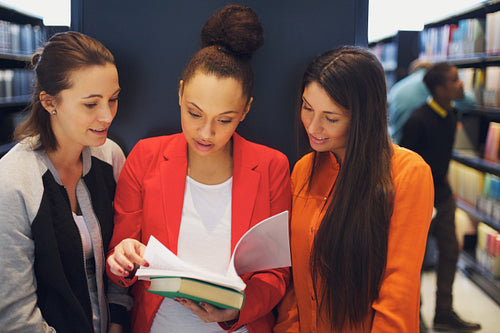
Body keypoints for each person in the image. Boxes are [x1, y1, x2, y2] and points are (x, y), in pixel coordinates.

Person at [106, 5, 291, 333]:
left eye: (224, 120)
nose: (206, 133)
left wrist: (234, 311)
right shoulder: (146, 157)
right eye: (195, 113)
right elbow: (120, 261)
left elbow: (276, 275)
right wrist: (122, 258)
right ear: (179, 93)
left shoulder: (271, 167)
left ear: (245, 110)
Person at [273, 46, 435, 332]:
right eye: (307, 108)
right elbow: (295, 278)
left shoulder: (408, 173)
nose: (313, 126)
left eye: (331, 118)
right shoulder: (303, 170)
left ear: (363, 117)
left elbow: (398, 294)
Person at [0, 31, 131, 332]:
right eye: (90, 105)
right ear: (49, 102)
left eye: (113, 100)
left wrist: (118, 322)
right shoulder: (12, 182)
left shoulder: (110, 156)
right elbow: (15, 317)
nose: (107, 116)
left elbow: (119, 256)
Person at [399, 62, 481, 332]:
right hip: (419, 201)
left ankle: (444, 314)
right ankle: (415, 317)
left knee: (450, 253)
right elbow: (408, 167)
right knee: (415, 261)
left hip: (443, 197)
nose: (461, 85)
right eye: (455, 80)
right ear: (439, 89)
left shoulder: (451, 115)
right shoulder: (417, 120)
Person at [388, 59, 476, 145]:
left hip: (397, 145)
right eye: (455, 80)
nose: (461, 83)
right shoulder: (434, 82)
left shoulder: (397, 87)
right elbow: (469, 102)